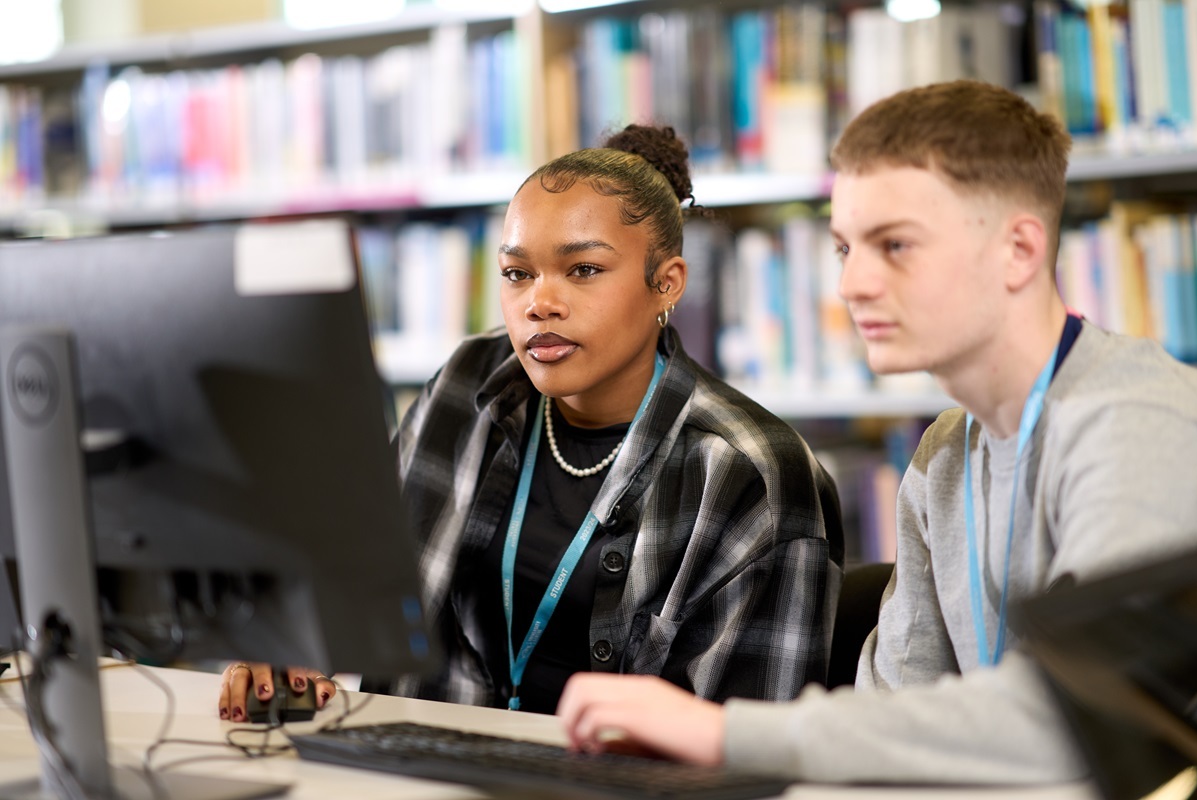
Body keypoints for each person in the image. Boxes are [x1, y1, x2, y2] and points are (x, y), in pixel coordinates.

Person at [556, 81, 1197, 784]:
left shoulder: (1137, 422)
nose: (854, 284)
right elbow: (893, 715)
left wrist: (722, 732)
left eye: (894, 246)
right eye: (843, 249)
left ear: (1018, 250)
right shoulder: (945, 456)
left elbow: (1081, 723)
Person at [217, 124, 844, 722]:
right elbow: (356, 566)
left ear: (666, 285)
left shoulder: (749, 474)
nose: (539, 302)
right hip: (419, 767)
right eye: (518, 274)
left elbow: (749, 751)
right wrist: (291, 644)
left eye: (584, 270)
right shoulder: (467, 383)